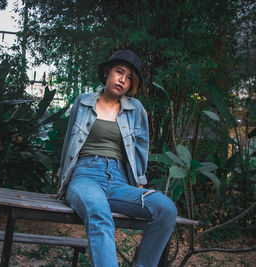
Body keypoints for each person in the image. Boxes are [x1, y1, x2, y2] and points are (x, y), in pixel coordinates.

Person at [56, 50, 177, 267]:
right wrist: (61, 178)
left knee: (166, 209)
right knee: (100, 212)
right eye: (119, 72)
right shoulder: (83, 102)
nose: (123, 79)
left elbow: (141, 148)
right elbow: (68, 143)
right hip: (85, 176)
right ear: (106, 73)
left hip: (119, 182)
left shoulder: (135, 109)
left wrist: (140, 180)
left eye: (130, 77)